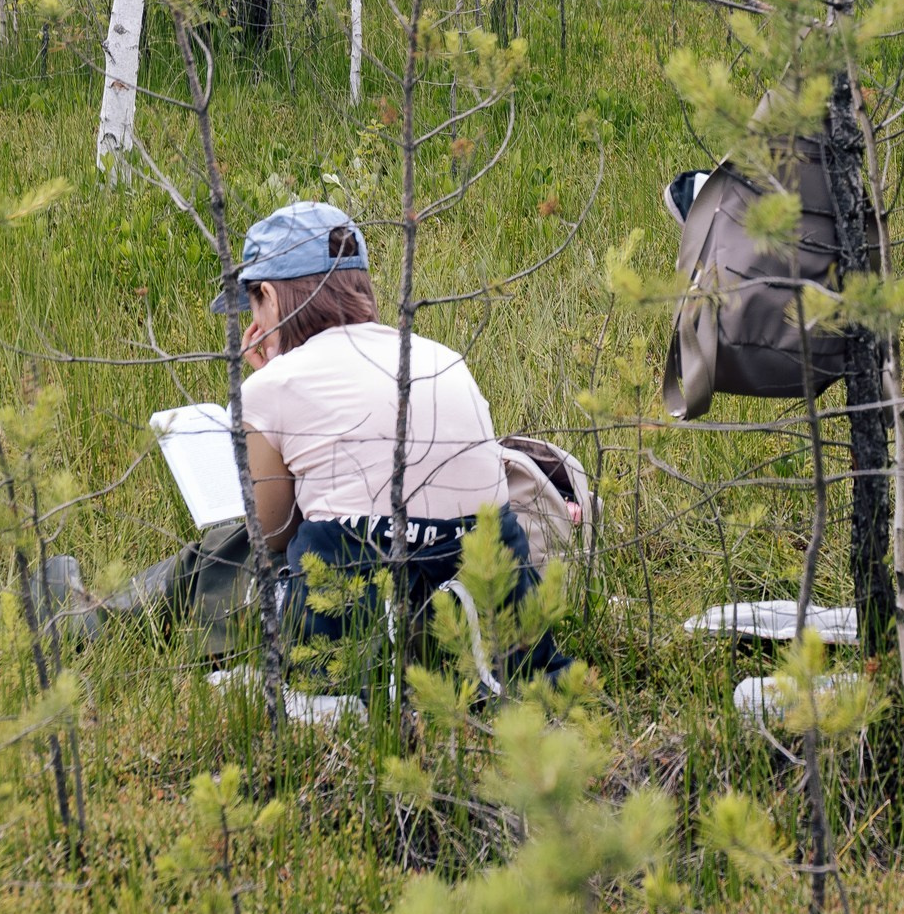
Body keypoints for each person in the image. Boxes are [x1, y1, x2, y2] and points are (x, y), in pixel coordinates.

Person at [54, 202, 558, 679]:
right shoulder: (443, 358)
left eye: (253, 305)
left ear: (270, 297)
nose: (253, 324)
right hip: (487, 621)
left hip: (360, 631)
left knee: (230, 547)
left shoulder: (275, 386)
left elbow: (272, 535)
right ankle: (103, 612)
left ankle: (90, 618)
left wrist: (268, 382)